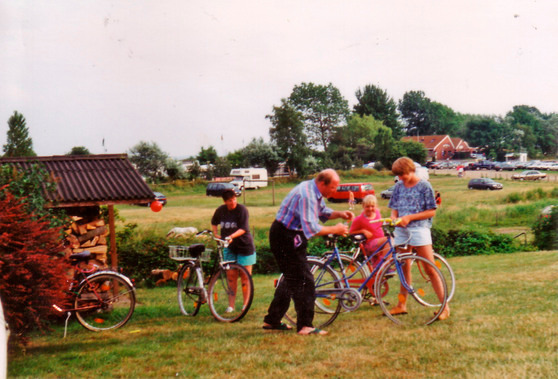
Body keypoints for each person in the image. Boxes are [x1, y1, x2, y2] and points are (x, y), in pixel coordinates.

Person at [262, 169, 354, 335]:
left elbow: (323, 212)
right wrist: (336, 229)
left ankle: (272, 320)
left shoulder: (313, 191)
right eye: (333, 187)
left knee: (292, 278)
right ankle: (305, 326)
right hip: (285, 235)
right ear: (322, 183)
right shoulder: (307, 195)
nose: (335, 191)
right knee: (304, 278)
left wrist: (340, 213)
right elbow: (311, 228)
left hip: (290, 234)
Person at [388, 157, 450, 320]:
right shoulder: (398, 187)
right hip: (401, 231)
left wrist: (410, 217)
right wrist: (395, 218)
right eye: (398, 176)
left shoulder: (424, 186)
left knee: (430, 268)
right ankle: (401, 304)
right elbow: (394, 208)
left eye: (402, 175)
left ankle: (445, 307)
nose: (400, 178)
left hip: (420, 230)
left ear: (411, 170)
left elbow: (431, 211)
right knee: (403, 268)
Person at [211, 189, 256, 313]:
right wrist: (216, 234)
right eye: (230, 200)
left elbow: (243, 228)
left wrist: (231, 236)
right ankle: (231, 305)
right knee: (231, 277)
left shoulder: (242, 210)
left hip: (244, 247)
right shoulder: (221, 210)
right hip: (229, 247)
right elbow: (214, 222)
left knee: (245, 278)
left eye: (234, 199)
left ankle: (245, 305)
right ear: (225, 201)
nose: (233, 202)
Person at [349, 194, 389, 268]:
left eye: (372, 206)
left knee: (379, 274)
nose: (370, 209)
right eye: (367, 206)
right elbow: (351, 232)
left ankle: (382, 269)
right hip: (370, 245)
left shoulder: (377, 213)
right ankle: (387, 265)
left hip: (380, 245)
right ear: (363, 206)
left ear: (376, 206)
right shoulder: (359, 219)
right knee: (388, 240)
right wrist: (363, 231)